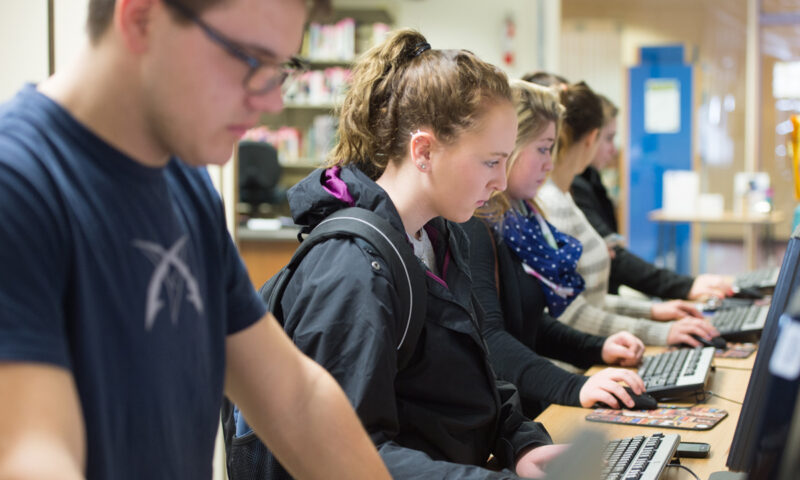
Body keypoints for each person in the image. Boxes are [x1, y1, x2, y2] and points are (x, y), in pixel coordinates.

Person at [0, 1, 392, 479]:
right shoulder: (18, 185)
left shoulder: (185, 182)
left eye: (281, 68)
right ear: (142, 18)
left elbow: (295, 398)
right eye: (250, 61)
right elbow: (31, 455)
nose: (270, 101)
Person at [234, 28, 566, 479]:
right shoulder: (352, 269)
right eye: (491, 161)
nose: (501, 182)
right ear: (424, 150)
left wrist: (523, 443)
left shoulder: (439, 237)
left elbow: (473, 380)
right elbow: (345, 459)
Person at [464, 80, 647, 419]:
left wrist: (598, 348)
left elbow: (531, 322)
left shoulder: (522, 216)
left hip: (525, 409)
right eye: (544, 148)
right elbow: (491, 338)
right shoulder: (476, 224)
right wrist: (574, 387)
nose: (550, 164)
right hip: (505, 418)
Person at [535, 81, 719, 347]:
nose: (612, 149)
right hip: (581, 360)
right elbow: (569, 312)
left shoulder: (565, 196)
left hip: (593, 349)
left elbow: (588, 299)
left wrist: (653, 312)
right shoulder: (553, 204)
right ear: (591, 139)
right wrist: (657, 330)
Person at [571, 94, 733, 300]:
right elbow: (614, 259)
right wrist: (684, 288)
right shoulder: (575, 187)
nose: (613, 150)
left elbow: (612, 253)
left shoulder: (590, 179)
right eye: (608, 138)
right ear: (588, 138)